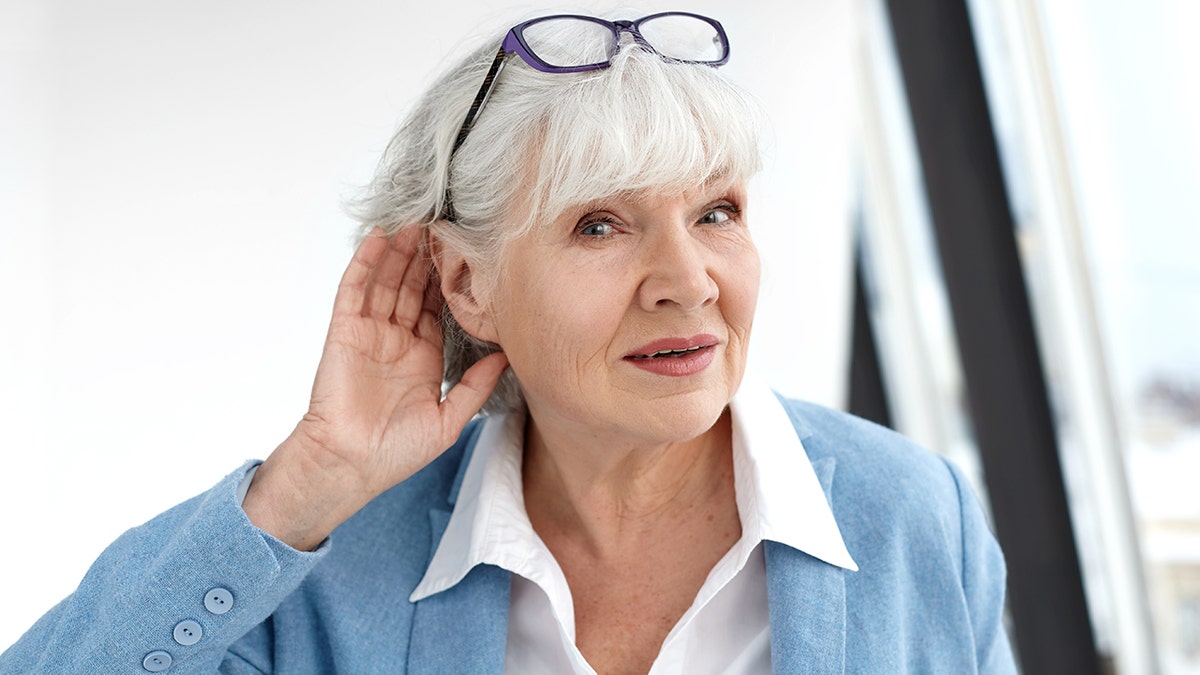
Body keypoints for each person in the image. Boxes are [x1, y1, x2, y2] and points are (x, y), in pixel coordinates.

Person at [2, 11, 1016, 674]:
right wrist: (308, 480)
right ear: (466, 283)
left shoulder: (910, 516)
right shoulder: (337, 556)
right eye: (600, 225)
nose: (688, 282)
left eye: (717, 213)